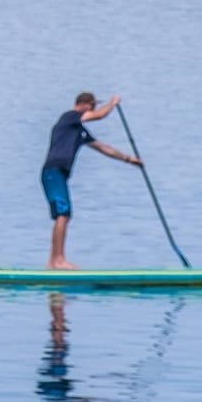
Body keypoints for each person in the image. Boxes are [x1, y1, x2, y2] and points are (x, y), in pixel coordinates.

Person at [42, 92, 142, 269]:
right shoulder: (69, 117)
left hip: (57, 174)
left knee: (63, 215)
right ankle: (58, 261)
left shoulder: (78, 130)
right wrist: (112, 103)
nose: (94, 109)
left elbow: (104, 148)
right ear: (82, 105)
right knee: (63, 214)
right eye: (92, 106)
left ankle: (53, 262)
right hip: (53, 171)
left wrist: (129, 159)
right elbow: (100, 115)